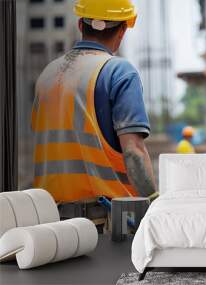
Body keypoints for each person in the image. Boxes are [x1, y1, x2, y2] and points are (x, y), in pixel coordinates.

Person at [31, 0, 157, 203]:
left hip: (49, 220)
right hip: (106, 222)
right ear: (123, 30)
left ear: (81, 25)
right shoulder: (119, 72)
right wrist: (153, 201)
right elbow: (134, 151)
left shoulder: (47, 74)